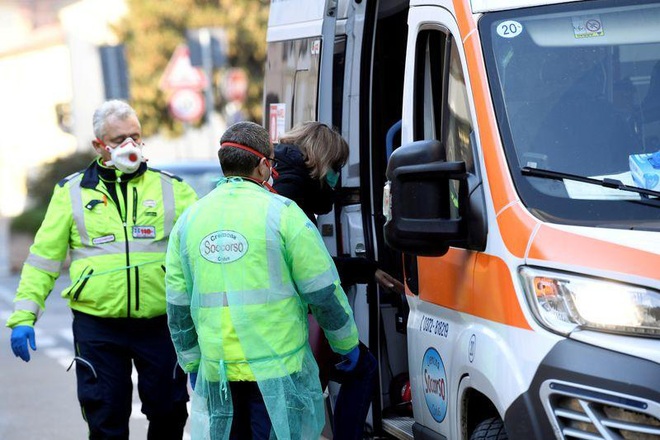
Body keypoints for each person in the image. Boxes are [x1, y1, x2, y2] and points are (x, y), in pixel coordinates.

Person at [6, 99, 197, 440]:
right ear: (99, 146)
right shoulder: (71, 193)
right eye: (119, 138)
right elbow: (43, 260)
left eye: (135, 136)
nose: (130, 146)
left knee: (169, 411)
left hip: (160, 324)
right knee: (105, 417)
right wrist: (24, 316)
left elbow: (199, 253)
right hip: (98, 327)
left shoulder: (174, 189)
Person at [165, 120, 361, 440]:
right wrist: (346, 343)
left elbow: (177, 306)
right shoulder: (284, 214)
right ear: (263, 165)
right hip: (276, 372)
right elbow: (323, 292)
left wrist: (191, 361)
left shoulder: (190, 221)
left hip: (219, 369)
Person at [273, 121, 405, 439]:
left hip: (267, 322)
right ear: (320, 160)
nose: (337, 178)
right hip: (282, 322)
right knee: (363, 367)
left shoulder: (280, 183)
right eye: (336, 167)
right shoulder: (292, 196)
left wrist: (365, 269)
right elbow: (312, 272)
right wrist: (362, 269)